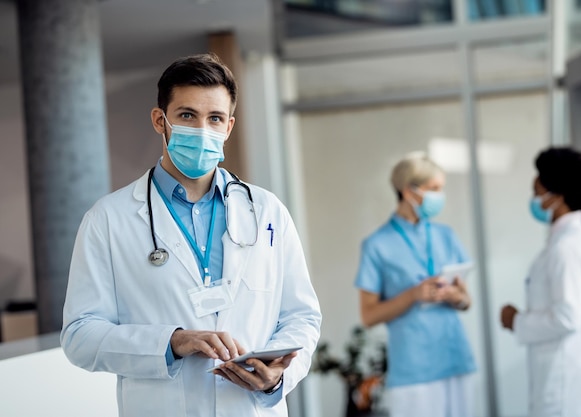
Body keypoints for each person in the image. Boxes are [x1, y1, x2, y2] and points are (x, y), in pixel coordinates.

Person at [61, 53, 322, 417]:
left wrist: (276, 377)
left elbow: (301, 317)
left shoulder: (266, 212)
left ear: (228, 127)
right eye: (187, 116)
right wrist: (171, 342)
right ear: (159, 120)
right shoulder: (108, 219)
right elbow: (80, 336)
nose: (202, 130)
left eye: (214, 118)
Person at [354, 151, 476, 417]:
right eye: (434, 189)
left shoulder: (446, 235)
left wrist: (456, 296)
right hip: (414, 371)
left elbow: (467, 302)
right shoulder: (377, 245)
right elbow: (368, 315)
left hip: (456, 359)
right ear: (409, 192)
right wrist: (413, 295)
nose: (439, 196)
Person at [500, 146, 581, 417]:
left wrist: (517, 320)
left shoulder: (567, 247)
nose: (534, 199)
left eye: (537, 194)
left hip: (568, 375)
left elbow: (567, 316)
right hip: (565, 369)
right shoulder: (563, 241)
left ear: (557, 197)